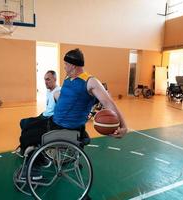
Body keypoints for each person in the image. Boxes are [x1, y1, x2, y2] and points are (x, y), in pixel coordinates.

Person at [18, 49, 127, 179]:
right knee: (26, 124)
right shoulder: (68, 78)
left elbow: (109, 103)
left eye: (65, 64)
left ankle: (35, 169)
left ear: (73, 65)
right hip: (54, 121)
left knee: (27, 135)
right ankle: (40, 159)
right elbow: (66, 95)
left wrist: (123, 126)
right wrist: (57, 96)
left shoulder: (90, 82)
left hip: (64, 127)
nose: (64, 66)